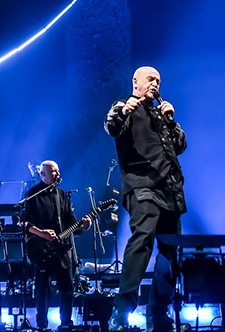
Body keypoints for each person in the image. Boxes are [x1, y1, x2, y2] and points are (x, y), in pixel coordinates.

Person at [104, 67, 187, 332]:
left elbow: (181, 146)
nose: (155, 84)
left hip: (171, 190)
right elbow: (112, 126)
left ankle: (159, 315)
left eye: (159, 81)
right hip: (142, 185)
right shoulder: (123, 106)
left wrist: (171, 121)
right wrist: (125, 110)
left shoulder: (161, 113)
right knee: (143, 240)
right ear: (136, 82)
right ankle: (121, 311)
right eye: (151, 79)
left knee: (170, 252)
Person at [23, 160, 91, 331]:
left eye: (57, 171)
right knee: (42, 290)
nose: (57, 174)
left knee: (67, 287)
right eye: (52, 171)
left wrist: (82, 226)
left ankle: (66, 323)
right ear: (42, 174)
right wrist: (41, 232)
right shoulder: (32, 194)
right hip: (41, 249)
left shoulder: (62, 195)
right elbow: (23, 223)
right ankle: (42, 325)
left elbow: (71, 223)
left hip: (61, 249)